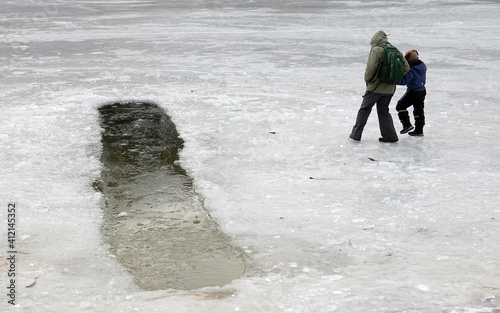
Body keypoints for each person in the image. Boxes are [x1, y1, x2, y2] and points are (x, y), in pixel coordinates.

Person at [349, 30, 410, 142]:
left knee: (364, 109)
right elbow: (406, 68)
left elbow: (371, 68)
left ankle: (355, 135)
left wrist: (368, 80)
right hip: (390, 88)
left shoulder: (376, 50)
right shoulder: (395, 50)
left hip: (375, 87)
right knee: (384, 111)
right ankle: (390, 137)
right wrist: (393, 79)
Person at [396, 49, 427, 136]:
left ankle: (407, 125)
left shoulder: (411, 70)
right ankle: (419, 130)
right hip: (422, 91)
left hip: (413, 92)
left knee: (400, 106)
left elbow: (404, 81)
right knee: (419, 110)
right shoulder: (422, 66)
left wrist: (394, 81)